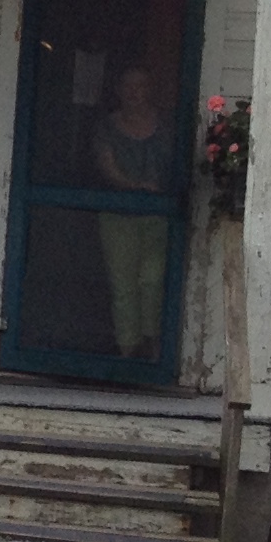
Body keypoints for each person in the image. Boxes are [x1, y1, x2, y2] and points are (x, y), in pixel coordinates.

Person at [92, 62, 176, 361]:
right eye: (128, 87)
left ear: (151, 91)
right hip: (117, 214)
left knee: (152, 281)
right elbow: (107, 166)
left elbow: (174, 166)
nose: (134, 93)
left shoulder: (166, 126)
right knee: (123, 285)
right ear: (118, 92)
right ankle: (128, 352)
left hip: (159, 215)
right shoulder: (107, 127)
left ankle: (153, 349)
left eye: (141, 86)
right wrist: (136, 186)